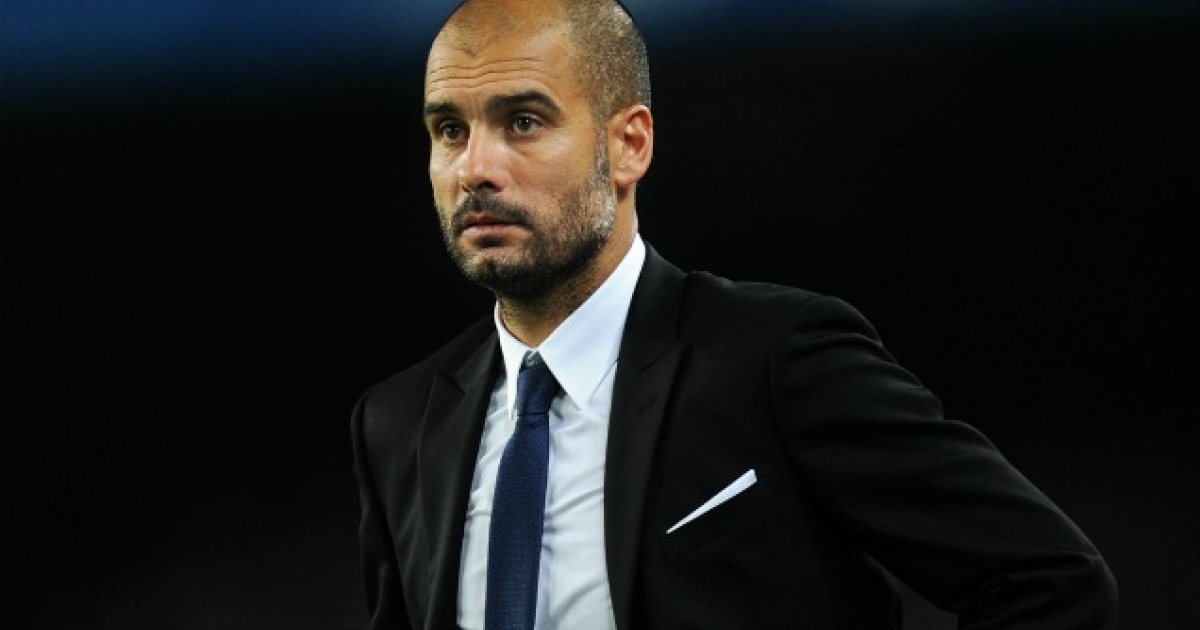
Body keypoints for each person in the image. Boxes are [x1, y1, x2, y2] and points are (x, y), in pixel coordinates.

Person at [349, 0, 1119, 628]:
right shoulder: (397, 425)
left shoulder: (775, 359)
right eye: (449, 130)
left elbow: (1048, 581)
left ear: (629, 145)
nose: (475, 168)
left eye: (523, 121)